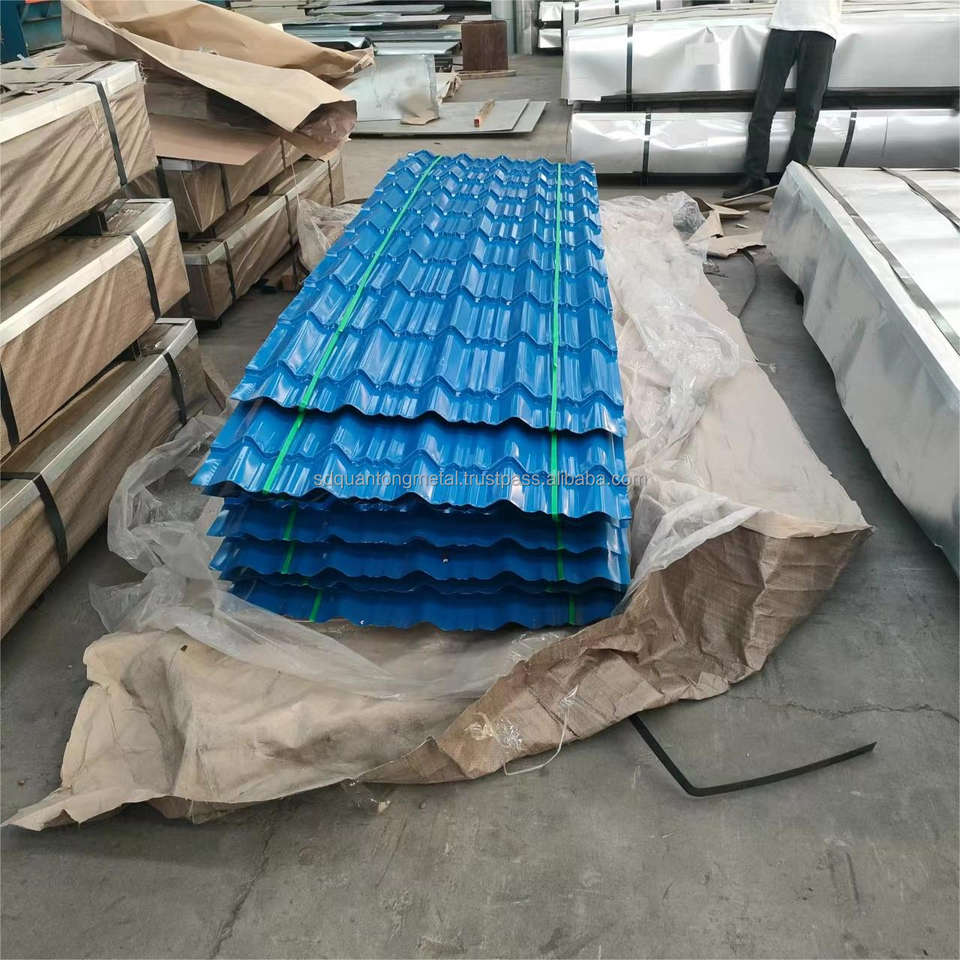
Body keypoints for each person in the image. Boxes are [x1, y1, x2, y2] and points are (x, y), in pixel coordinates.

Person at [723, 0, 842, 199]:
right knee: (764, 106)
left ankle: (792, 181)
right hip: (785, 25)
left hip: (822, 28)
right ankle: (753, 176)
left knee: (808, 112)